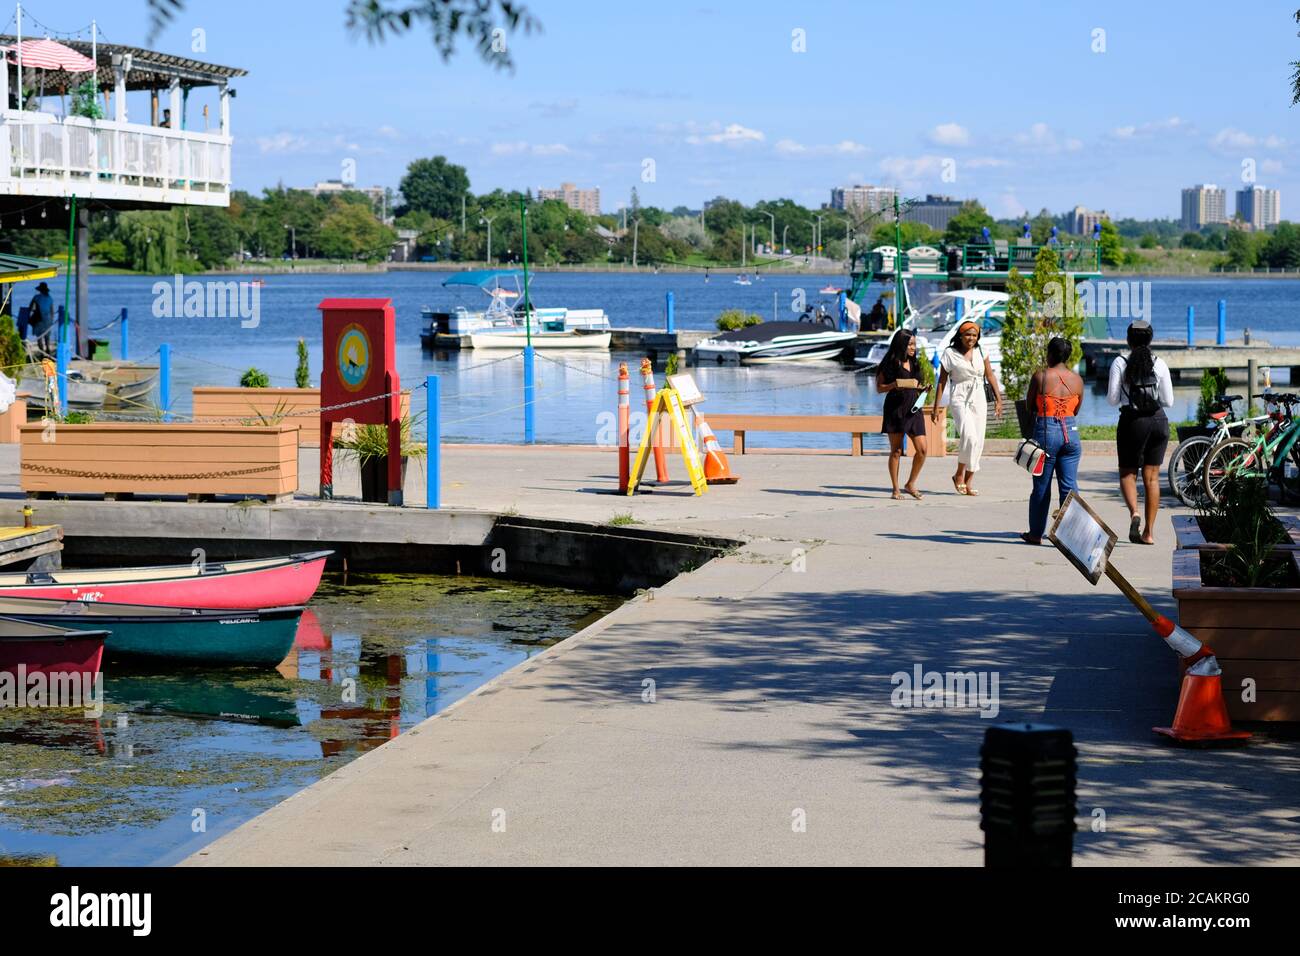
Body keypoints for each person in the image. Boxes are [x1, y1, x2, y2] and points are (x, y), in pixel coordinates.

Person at [1108, 319, 1174, 544]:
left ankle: (1134, 512)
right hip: (1158, 421)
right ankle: (1149, 533)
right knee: (1152, 478)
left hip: (1133, 422)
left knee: (1128, 473)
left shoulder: (1120, 362)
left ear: (1128, 340)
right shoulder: (1160, 363)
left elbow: (1112, 399)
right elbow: (1169, 401)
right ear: (1150, 339)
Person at [1021, 337, 1084, 544]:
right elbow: (1076, 409)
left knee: (1041, 486)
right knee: (1069, 486)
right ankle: (1072, 535)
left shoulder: (1040, 376)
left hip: (1047, 432)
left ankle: (1036, 534)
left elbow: (1030, 406)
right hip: (1071, 432)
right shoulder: (1077, 380)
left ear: (1049, 354)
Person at [933, 320, 1003, 496]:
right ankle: (958, 474)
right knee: (969, 437)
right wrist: (936, 406)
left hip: (979, 396)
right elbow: (942, 381)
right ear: (960, 335)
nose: (971, 338)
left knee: (978, 440)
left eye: (974, 335)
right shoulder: (950, 353)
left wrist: (998, 399)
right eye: (967, 335)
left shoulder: (981, 351)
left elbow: (990, 375)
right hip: (959, 396)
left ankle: (968, 481)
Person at [876, 329, 929, 500]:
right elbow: (879, 388)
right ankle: (895, 488)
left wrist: (923, 388)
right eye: (910, 344)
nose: (914, 348)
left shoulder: (915, 364)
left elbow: (916, 384)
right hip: (895, 408)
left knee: (922, 449)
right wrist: (893, 385)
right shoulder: (889, 364)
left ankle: (911, 483)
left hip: (914, 408)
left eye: (914, 344)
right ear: (901, 345)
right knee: (896, 451)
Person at [26, 281, 55, 355]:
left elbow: (31, 308)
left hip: (39, 320)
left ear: (40, 290)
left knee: (39, 338)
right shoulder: (50, 298)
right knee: (47, 337)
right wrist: (52, 320)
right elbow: (52, 311)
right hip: (48, 320)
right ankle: (48, 352)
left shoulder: (36, 298)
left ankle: (42, 354)